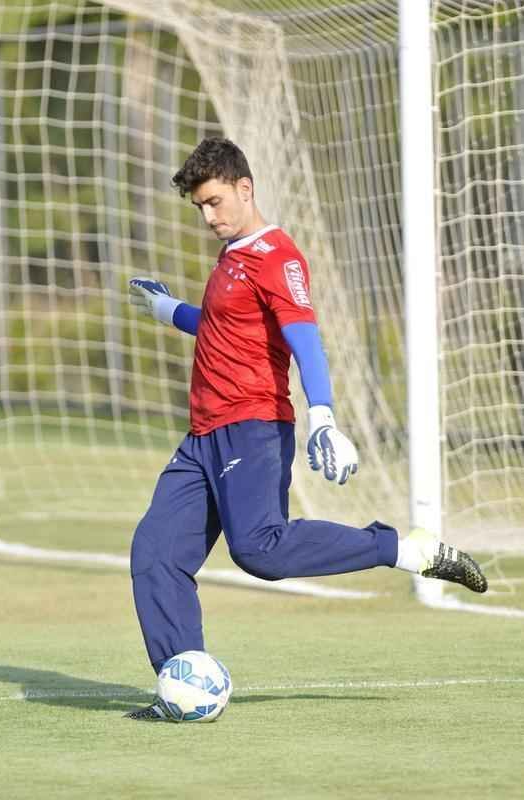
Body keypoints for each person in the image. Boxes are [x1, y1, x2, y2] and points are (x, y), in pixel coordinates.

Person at [125, 137, 487, 721]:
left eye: (216, 202)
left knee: (260, 551)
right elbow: (225, 328)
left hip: (254, 427)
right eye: (200, 208)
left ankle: (400, 548)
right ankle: (180, 682)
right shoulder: (232, 257)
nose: (209, 216)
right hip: (203, 437)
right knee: (155, 554)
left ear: (245, 188)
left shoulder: (277, 255)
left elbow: (305, 339)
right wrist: (171, 311)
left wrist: (324, 415)